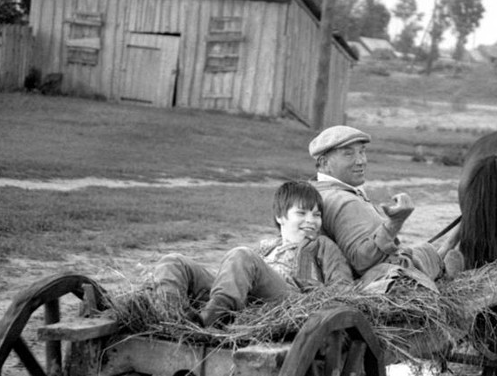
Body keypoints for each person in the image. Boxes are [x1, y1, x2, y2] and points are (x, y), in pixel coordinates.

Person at [151, 181, 353, 327]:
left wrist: (310, 290)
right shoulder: (266, 247)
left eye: (317, 215)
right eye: (301, 213)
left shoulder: (323, 246)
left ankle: (210, 319)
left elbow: (342, 290)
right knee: (173, 261)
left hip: (289, 301)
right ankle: (172, 319)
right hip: (246, 300)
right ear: (280, 217)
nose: (311, 220)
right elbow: (237, 274)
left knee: (242, 255)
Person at [309, 125, 456, 290]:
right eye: (348, 154)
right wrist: (394, 224)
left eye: (362, 151)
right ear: (324, 163)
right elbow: (362, 261)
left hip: (358, 276)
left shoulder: (315, 191)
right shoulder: (344, 201)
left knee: (428, 251)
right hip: (385, 280)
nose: (361, 161)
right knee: (436, 256)